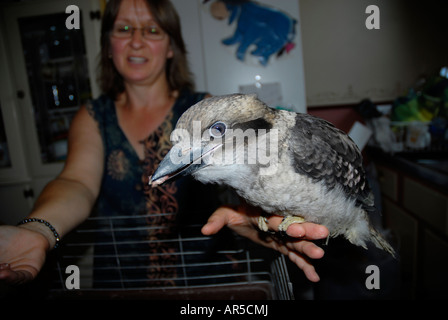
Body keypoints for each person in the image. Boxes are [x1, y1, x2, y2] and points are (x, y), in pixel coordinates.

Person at [0, 0, 328, 288]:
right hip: (123, 282)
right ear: (108, 43)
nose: (137, 41)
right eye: (123, 28)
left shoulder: (211, 111)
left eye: (152, 30)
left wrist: (264, 224)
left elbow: (249, 190)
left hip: (207, 282)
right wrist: (40, 230)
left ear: (171, 46)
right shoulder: (91, 117)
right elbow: (75, 183)